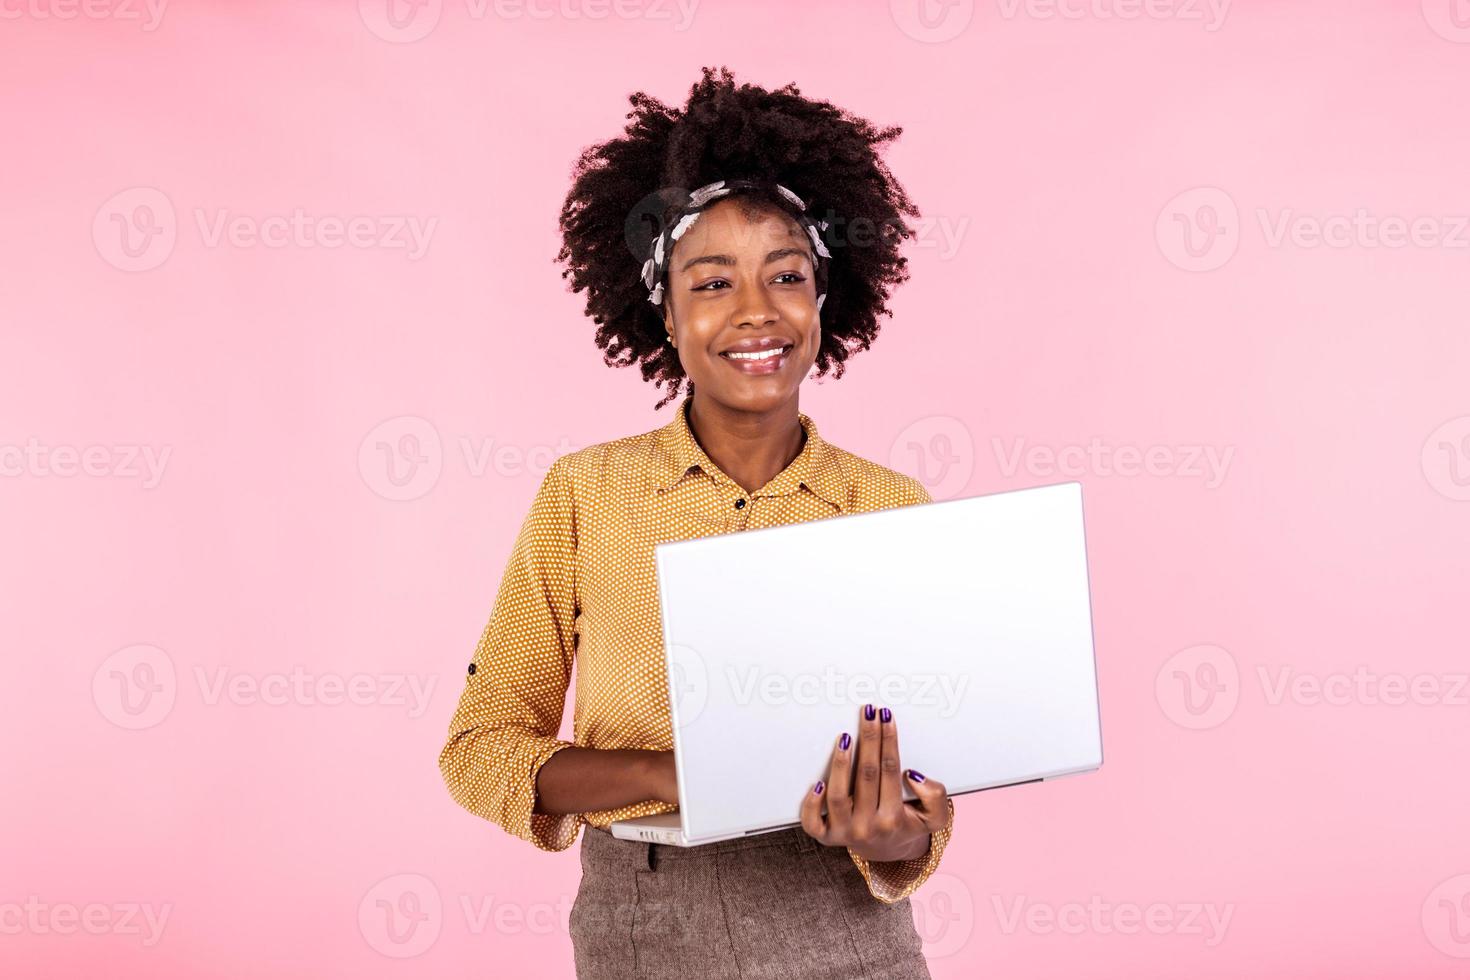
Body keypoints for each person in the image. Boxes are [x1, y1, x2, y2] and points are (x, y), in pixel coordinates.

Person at [439, 65, 956, 980]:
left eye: (786, 274)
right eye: (712, 281)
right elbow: (481, 748)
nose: (756, 311)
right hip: (646, 929)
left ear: (823, 301)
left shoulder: (890, 510)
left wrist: (894, 838)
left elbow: (924, 799)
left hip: (847, 934)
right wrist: (671, 774)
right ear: (665, 312)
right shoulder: (586, 496)